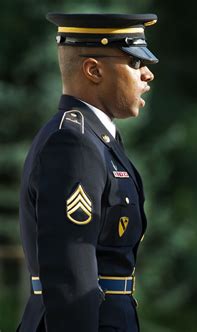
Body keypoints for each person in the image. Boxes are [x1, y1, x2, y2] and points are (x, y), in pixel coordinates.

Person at [17, 13, 158, 332]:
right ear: (93, 70)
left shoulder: (95, 138)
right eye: (135, 63)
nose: (147, 74)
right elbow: (71, 277)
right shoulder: (73, 143)